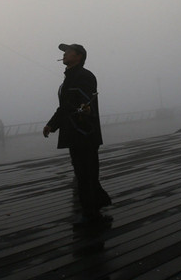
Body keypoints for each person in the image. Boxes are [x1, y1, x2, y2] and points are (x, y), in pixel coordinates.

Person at [43, 43, 111, 225]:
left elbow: (85, 102)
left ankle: (90, 214)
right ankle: (97, 203)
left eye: (68, 52)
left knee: (86, 174)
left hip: (85, 133)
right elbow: (65, 106)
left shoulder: (84, 76)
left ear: (79, 56)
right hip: (75, 133)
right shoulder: (69, 78)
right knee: (83, 173)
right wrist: (52, 124)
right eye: (64, 52)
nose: (64, 54)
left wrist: (86, 110)